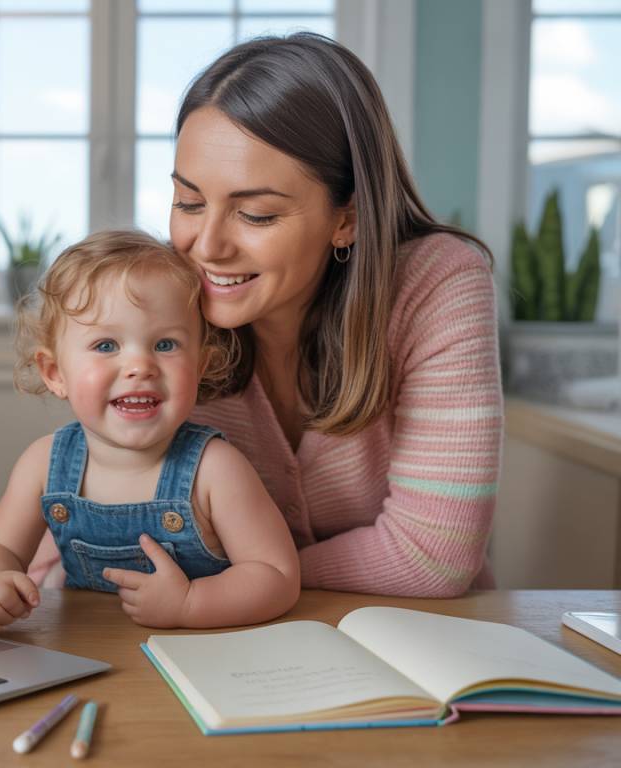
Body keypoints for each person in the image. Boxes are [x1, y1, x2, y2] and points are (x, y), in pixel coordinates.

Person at [29, 33, 502, 598]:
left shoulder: (437, 282)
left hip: (413, 635)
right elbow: (81, 515)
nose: (207, 246)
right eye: (188, 202)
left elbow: (433, 556)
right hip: (218, 635)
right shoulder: (161, 300)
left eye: (255, 214)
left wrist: (261, 576)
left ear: (346, 218)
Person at [0, 230, 300, 631]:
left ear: (201, 365)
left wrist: (191, 604)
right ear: (55, 373)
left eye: (166, 345)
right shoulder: (44, 463)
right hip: (87, 652)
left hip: (197, 657)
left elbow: (276, 575)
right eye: (106, 345)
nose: (140, 365)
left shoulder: (215, 469)